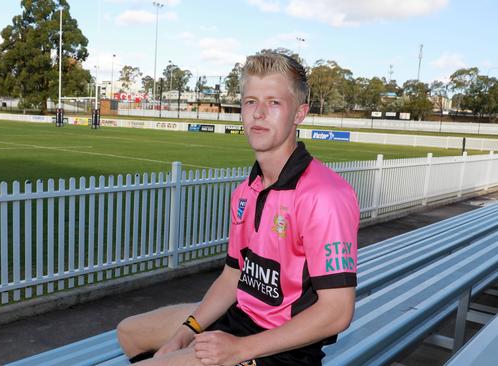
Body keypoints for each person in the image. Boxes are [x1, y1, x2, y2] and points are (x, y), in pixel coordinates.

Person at [117, 53, 360, 366]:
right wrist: (186, 332)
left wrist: (240, 349)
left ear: (299, 113)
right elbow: (234, 277)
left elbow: (337, 312)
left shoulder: (324, 195)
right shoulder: (246, 191)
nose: (258, 114)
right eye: (250, 102)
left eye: (274, 103)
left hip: (284, 351)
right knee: (129, 332)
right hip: (240, 319)